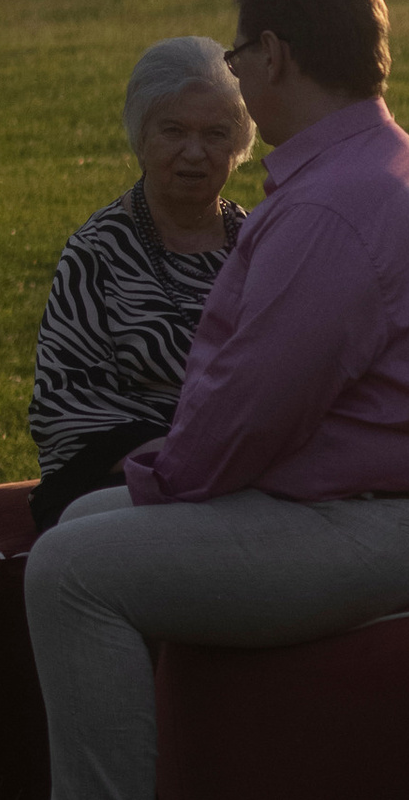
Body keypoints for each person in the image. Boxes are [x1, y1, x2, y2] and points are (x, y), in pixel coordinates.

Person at [0, 0, 409, 800]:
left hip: (371, 521)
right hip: (353, 499)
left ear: (271, 54)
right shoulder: (358, 166)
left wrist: (155, 484)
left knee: (75, 569)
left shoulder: (327, 207)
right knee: (79, 531)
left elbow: (249, 412)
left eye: (237, 49)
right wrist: (135, 490)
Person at [27, 39, 254, 528]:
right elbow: (67, 402)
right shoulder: (97, 252)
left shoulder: (263, 244)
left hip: (252, 467)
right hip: (129, 474)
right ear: (141, 136)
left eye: (216, 134)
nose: (194, 153)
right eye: (173, 130)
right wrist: (182, 458)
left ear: (237, 147)